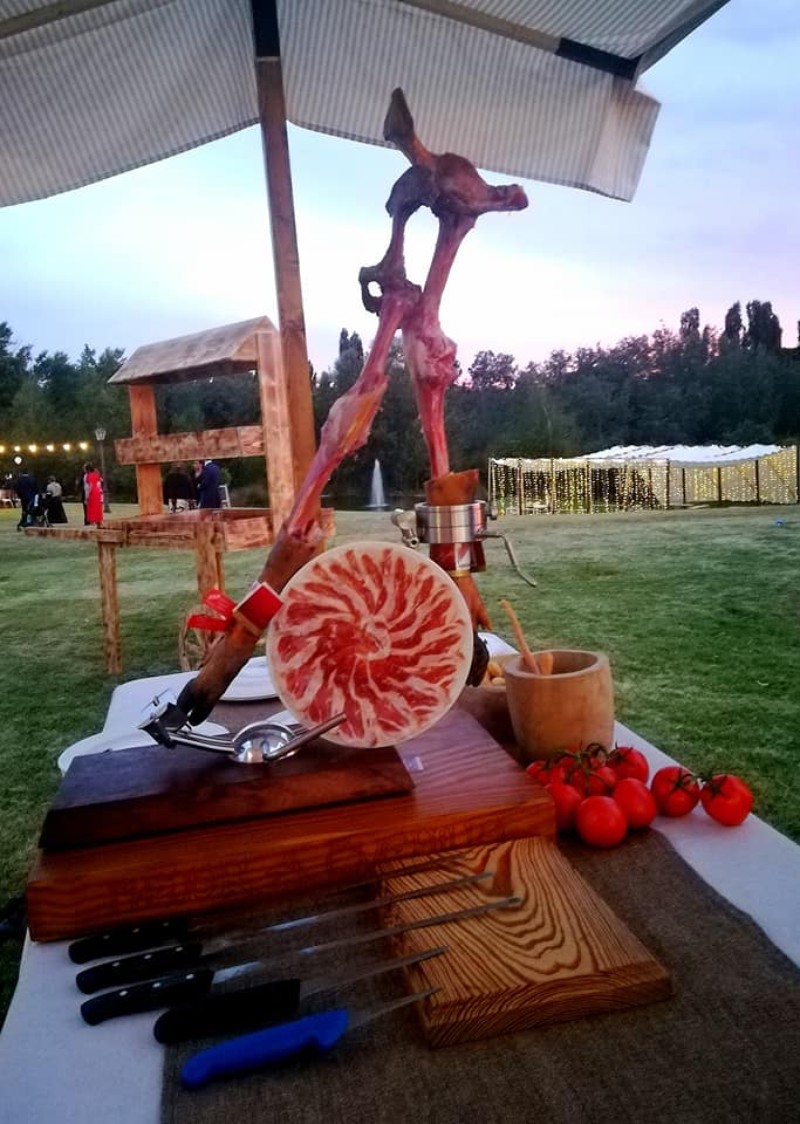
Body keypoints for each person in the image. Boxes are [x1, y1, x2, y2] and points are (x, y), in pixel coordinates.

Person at [83, 462, 104, 527]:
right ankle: (98, 521)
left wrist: (87, 495)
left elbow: (90, 485)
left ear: (87, 469)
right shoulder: (96, 474)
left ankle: (93, 521)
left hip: (92, 492)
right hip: (97, 491)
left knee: (92, 507)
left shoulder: (88, 476)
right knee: (97, 507)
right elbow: (101, 480)